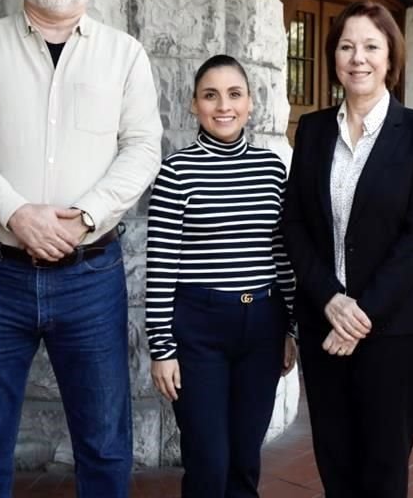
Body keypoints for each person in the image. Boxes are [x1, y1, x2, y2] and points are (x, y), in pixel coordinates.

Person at [0, 0, 162, 497]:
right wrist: (15, 212)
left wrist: (84, 216)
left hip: (91, 274)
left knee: (105, 442)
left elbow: (142, 148)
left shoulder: (124, 55)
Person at [283, 0, 413, 498]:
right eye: (346, 46)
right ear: (333, 56)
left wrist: (360, 315)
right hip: (323, 323)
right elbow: (294, 224)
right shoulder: (313, 130)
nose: (358, 58)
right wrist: (330, 301)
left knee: (383, 469)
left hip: (393, 329)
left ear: (390, 57)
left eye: (371, 47)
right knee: (335, 463)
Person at [145, 54, 297, 498]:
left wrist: (291, 327)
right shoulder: (176, 171)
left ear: (250, 103)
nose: (223, 106)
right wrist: (162, 349)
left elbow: (282, 254)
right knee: (208, 462)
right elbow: (161, 265)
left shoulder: (272, 169)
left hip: (263, 325)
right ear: (195, 105)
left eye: (234, 94)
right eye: (210, 96)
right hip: (199, 329)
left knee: (245, 459)